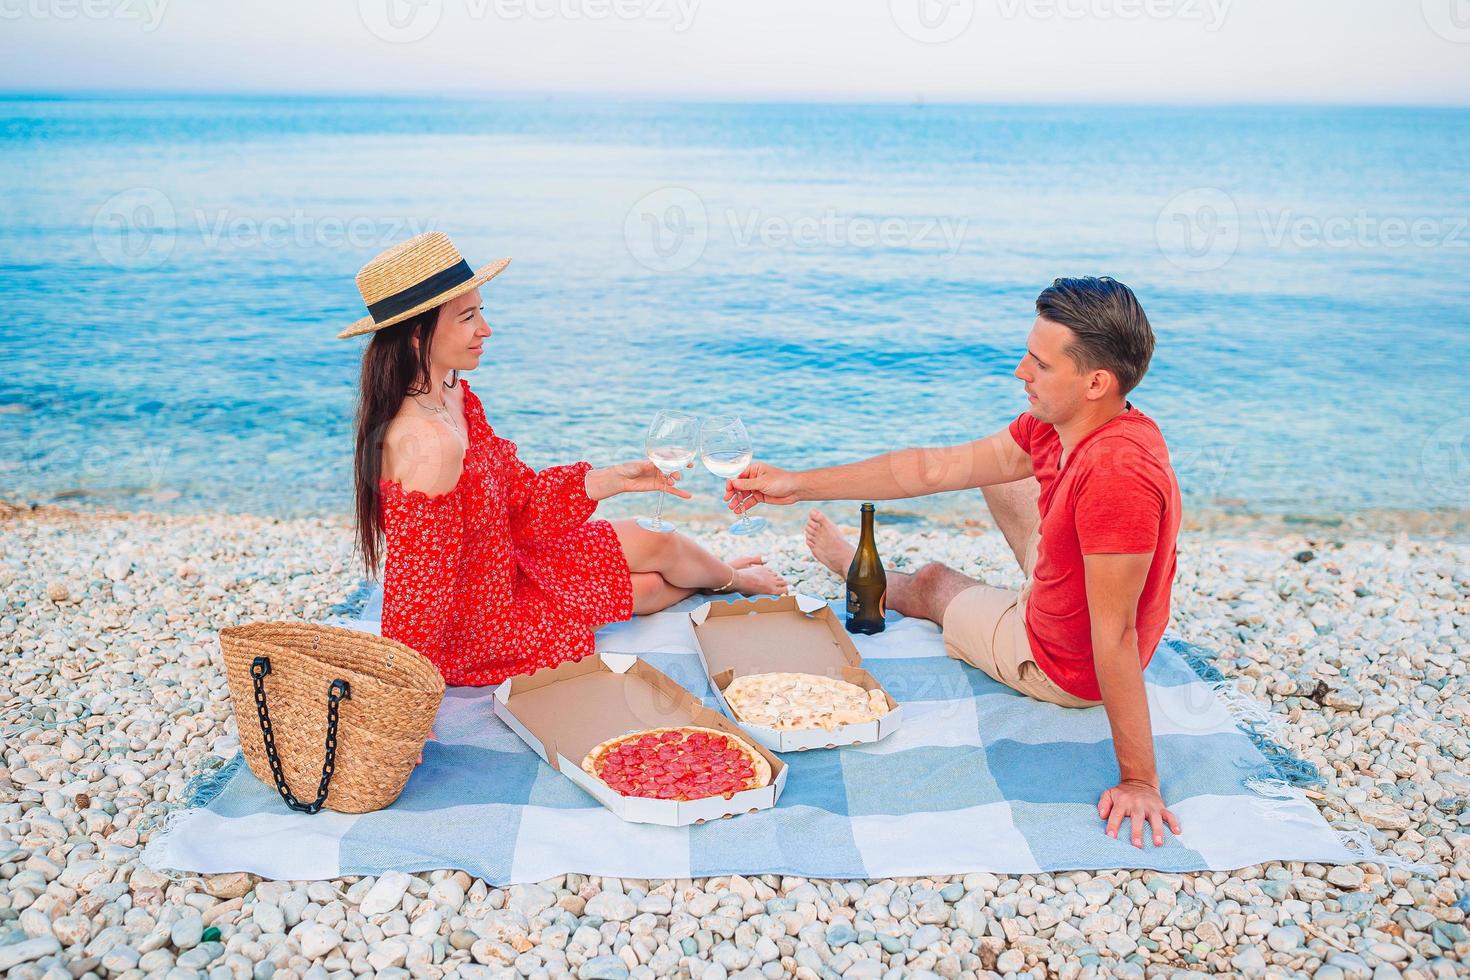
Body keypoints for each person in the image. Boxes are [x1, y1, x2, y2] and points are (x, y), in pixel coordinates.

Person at [724, 277, 1183, 848]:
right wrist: (798, 484)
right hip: (1078, 584)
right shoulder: (1064, 426)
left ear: (1096, 381)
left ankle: (870, 578)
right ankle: (1030, 580)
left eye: (1039, 364)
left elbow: (1111, 637)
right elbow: (933, 470)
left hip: (1066, 662)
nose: (1021, 371)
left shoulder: (1118, 476)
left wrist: (1140, 780)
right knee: (1003, 481)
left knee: (937, 580)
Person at [341, 232, 787, 690]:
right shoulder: (427, 444)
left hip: (509, 563)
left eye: (481, 312)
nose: (485, 329)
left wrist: (612, 479)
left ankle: (729, 577)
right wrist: (408, 694)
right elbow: (418, 593)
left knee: (661, 541)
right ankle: (730, 579)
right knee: (651, 587)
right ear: (418, 335)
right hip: (477, 628)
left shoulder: (454, 395)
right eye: (467, 317)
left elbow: (521, 502)